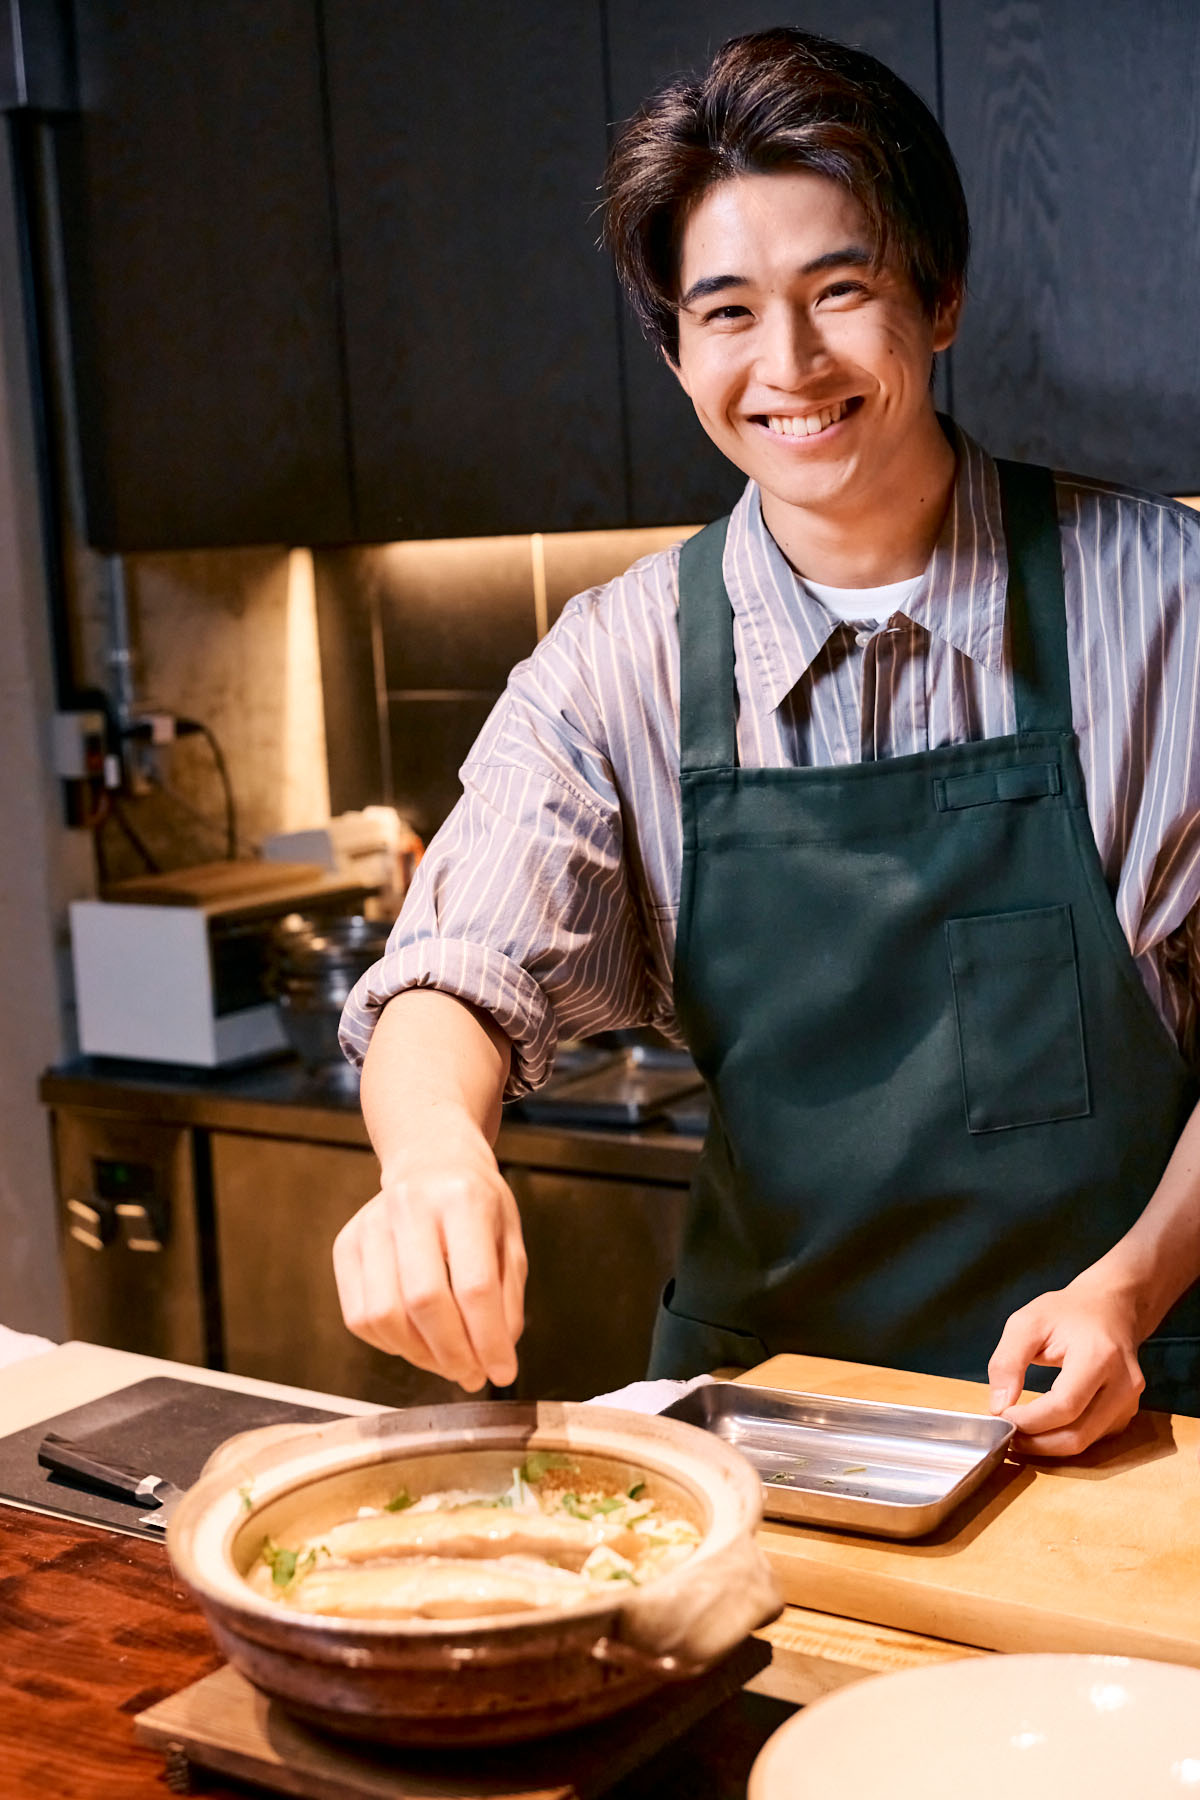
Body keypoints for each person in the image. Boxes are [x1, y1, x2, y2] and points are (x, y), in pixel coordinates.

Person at [334, 28, 1200, 1456]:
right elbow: (460, 968)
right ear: (675, 350)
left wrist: (1128, 1283)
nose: (788, 364)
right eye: (726, 312)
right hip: (777, 1436)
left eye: (839, 290)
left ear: (941, 297)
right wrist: (431, 1157)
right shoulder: (611, 665)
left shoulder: (1164, 602)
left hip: (1132, 1417)